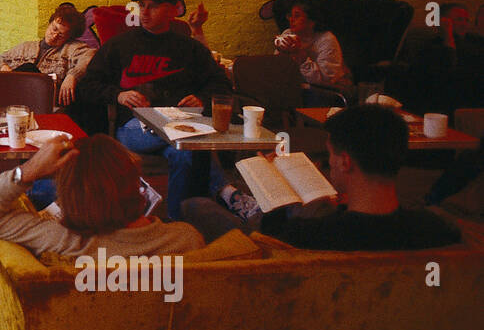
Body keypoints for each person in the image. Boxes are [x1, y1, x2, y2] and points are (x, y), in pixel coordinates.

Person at [181, 105, 462, 250]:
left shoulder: (310, 235)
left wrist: (281, 196)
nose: (330, 168)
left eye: (330, 159)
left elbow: (270, 240)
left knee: (195, 205)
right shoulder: (435, 229)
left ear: (345, 161)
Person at [76, 0, 233, 220]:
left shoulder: (188, 48)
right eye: (142, 6)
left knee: (184, 153)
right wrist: (118, 95)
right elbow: (87, 86)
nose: (145, 12)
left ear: (172, 10)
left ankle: (175, 222)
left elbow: (221, 83)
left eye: (154, 6)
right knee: (189, 141)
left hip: (181, 126)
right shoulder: (119, 45)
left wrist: (201, 97)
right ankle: (227, 191)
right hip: (132, 128)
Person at [0, 133, 204, 258]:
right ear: (136, 186)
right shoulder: (186, 239)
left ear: (69, 198)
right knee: (198, 206)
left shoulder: (62, 242)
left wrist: (30, 170)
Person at [0, 3, 95, 105]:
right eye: (54, 28)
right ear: (50, 23)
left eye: (61, 35)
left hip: (43, 100)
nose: (54, 35)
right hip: (12, 96)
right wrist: (4, 69)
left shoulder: (72, 48)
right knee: (26, 69)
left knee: (30, 70)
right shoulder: (25, 47)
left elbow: (91, 56)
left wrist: (73, 75)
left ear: (69, 38)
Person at [273, 0, 354, 104]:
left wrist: (300, 56)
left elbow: (325, 80)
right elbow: (277, 70)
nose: (291, 20)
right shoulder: (288, 34)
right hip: (299, 87)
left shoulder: (326, 40)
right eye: (290, 15)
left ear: (311, 22)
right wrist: (281, 53)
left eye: (297, 16)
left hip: (329, 91)